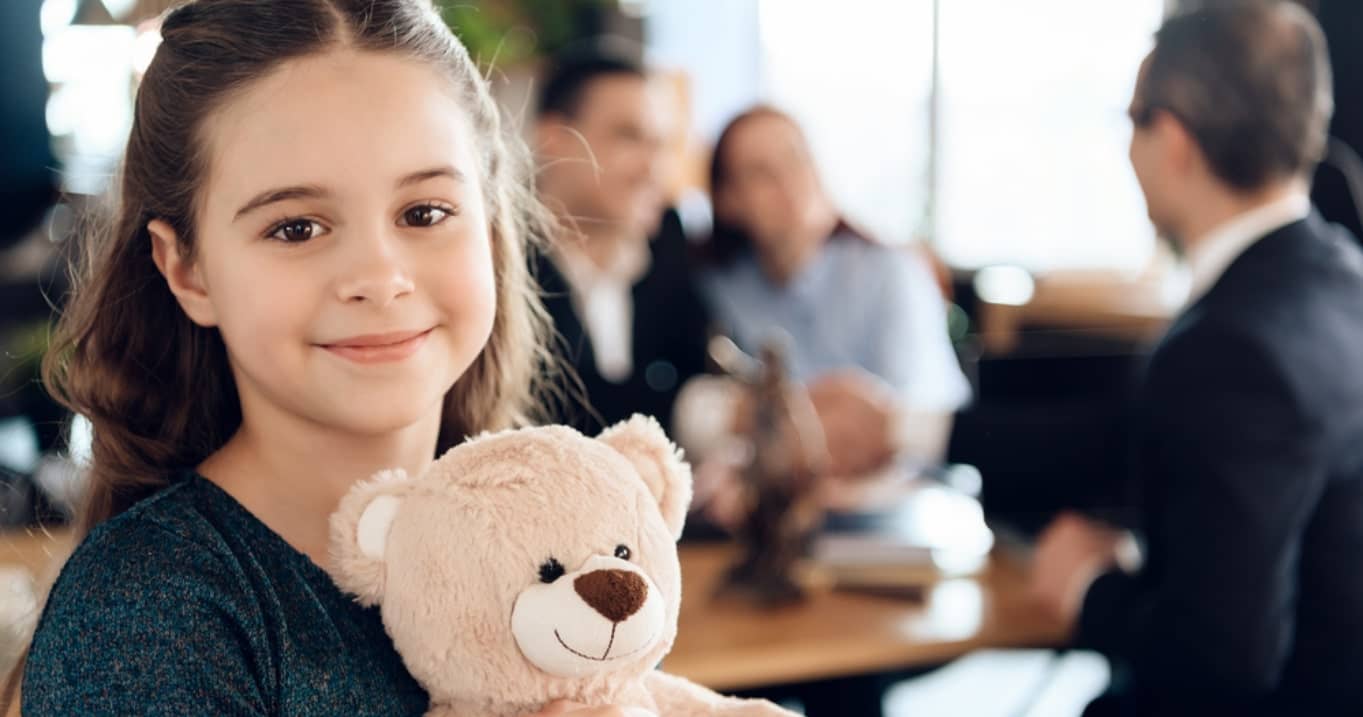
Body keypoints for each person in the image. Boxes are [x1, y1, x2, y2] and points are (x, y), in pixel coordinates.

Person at [15, 2, 633, 715]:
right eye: (296, 227)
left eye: (424, 212)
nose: (378, 275)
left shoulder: (561, 544)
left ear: (489, 224)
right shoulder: (143, 615)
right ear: (188, 270)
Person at [1029, 3, 1363, 714]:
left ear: (1172, 139)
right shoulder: (1340, 274)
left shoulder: (1231, 346)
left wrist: (1090, 584)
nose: (1126, 149)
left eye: (1131, 120)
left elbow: (1215, 666)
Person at [689, 106, 970, 487]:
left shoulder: (893, 273)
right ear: (727, 201)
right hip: (778, 497)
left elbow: (922, 414)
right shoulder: (718, 287)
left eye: (796, 158)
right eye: (760, 173)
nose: (787, 182)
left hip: (900, 492)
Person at [532, 47, 711, 437]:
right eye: (629, 137)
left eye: (661, 145)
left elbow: (703, 365)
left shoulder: (668, 239)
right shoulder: (498, 260)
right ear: (554, 139)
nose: (654, 168)